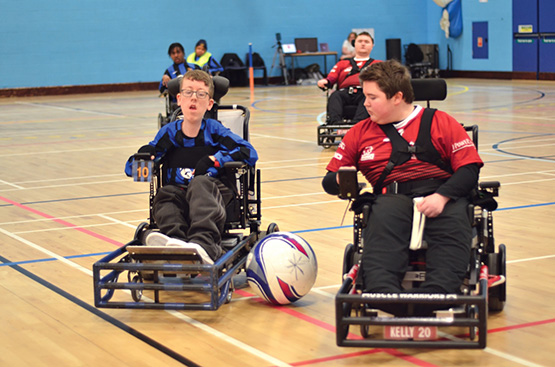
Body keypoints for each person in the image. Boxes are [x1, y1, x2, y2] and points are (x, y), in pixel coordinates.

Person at [322, 60, 484, 316]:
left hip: (442, 192)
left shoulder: (441, 122)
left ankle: (438, 294)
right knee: (382, 222)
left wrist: (441, 197)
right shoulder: (359, 132)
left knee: (451, 224)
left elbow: (469, 169)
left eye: (372, 97)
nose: (365, 103)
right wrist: (341, 179)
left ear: (397, 97)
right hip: (391, 195)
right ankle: (383, 294)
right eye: (365, 96)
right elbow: (328, 181)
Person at [126, 70, 258, 264]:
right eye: (188, 92)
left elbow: (249, 152)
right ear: (179, 99)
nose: (193, 98)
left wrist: (215, 160)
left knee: (199, 183)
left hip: (214, 192)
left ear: (210, 103)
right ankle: (176, 243)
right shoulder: (169, 133)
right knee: (165, 194)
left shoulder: (215, 130)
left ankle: (204, 245)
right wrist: (144, 157)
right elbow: (132, 169)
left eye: (201, 94)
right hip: (180, 192)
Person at [317, 32, 381, 125]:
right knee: (335, 95)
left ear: (372, 45)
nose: (363, 44)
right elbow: (332, 77)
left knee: (368, 97)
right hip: (345, 93)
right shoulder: (342, 63)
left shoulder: (378, 64)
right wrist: (326, 81)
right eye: (360, 41)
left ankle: (358, 125)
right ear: (354, 44)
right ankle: (335, 124)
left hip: (365, 93)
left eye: (366, 42)